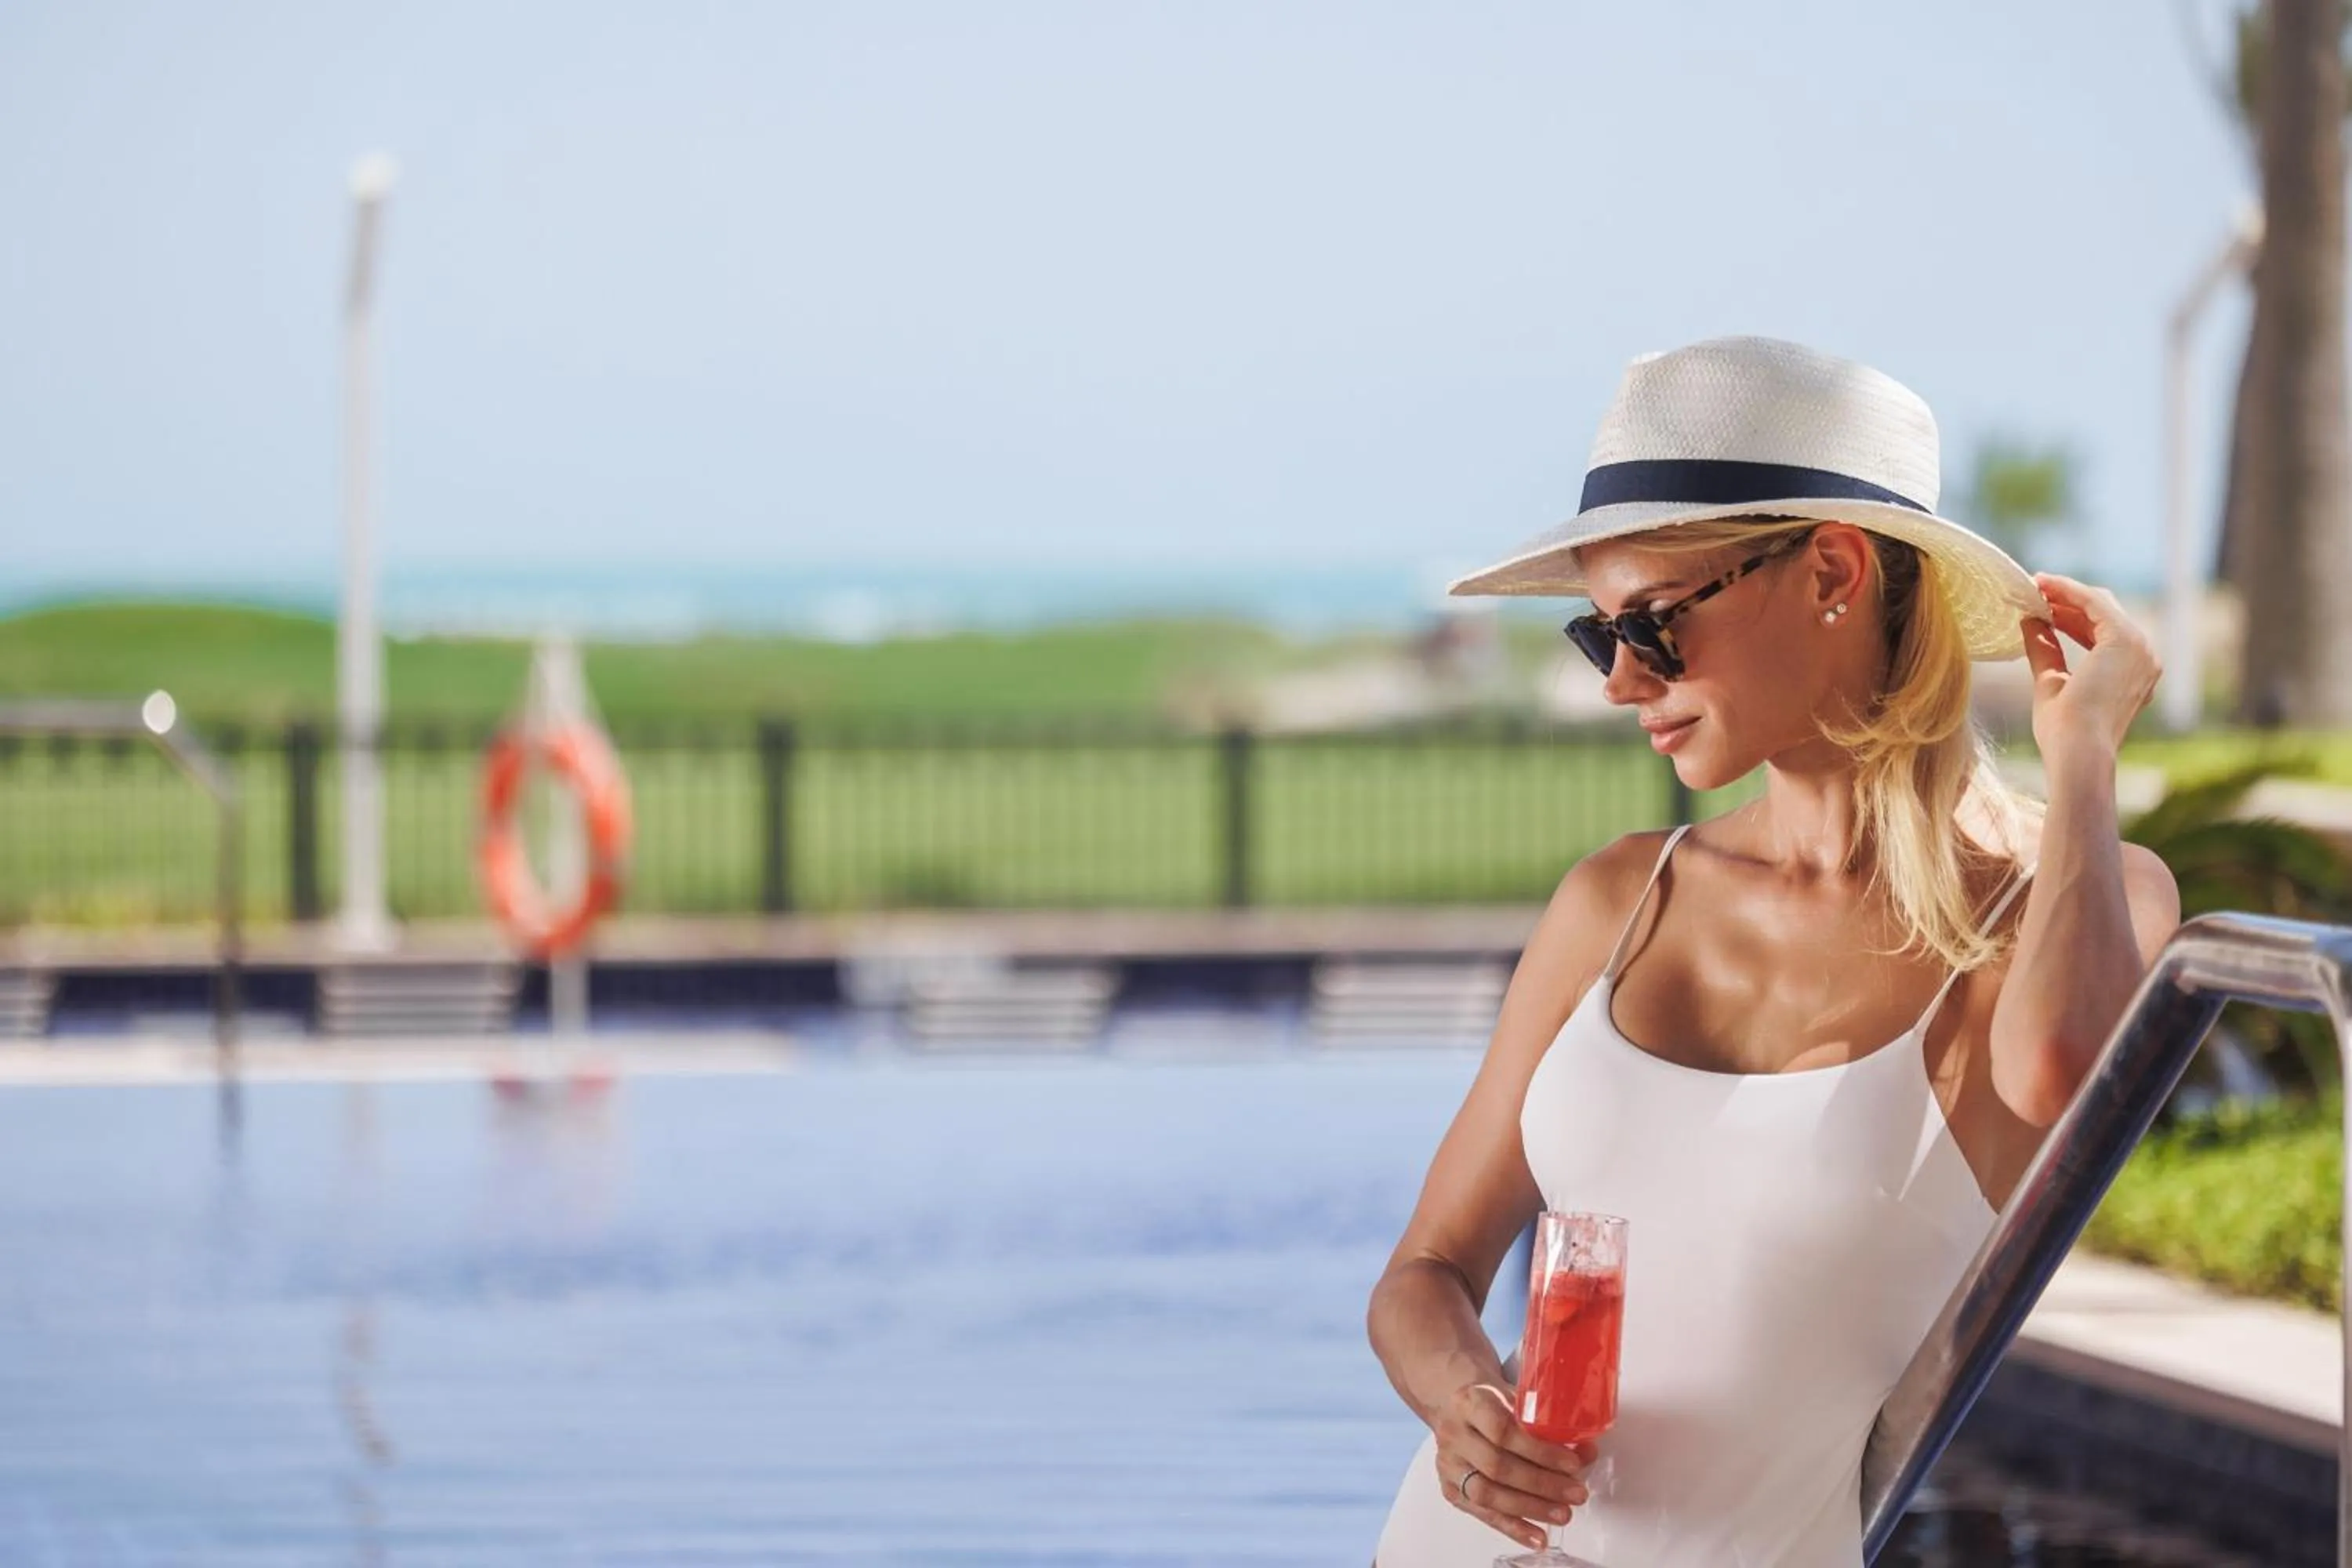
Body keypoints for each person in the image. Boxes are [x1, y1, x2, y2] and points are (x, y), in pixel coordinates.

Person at [1366, 336, 2181, 1566]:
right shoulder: (1618, 901)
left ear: (1833, 571)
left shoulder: (2065, 897)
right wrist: (1463, 1407)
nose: (1620, 682)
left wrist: (2083, 764)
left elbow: (2072, 1077)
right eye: (1600, 638)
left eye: (1654, 625)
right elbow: (1426, 1271)